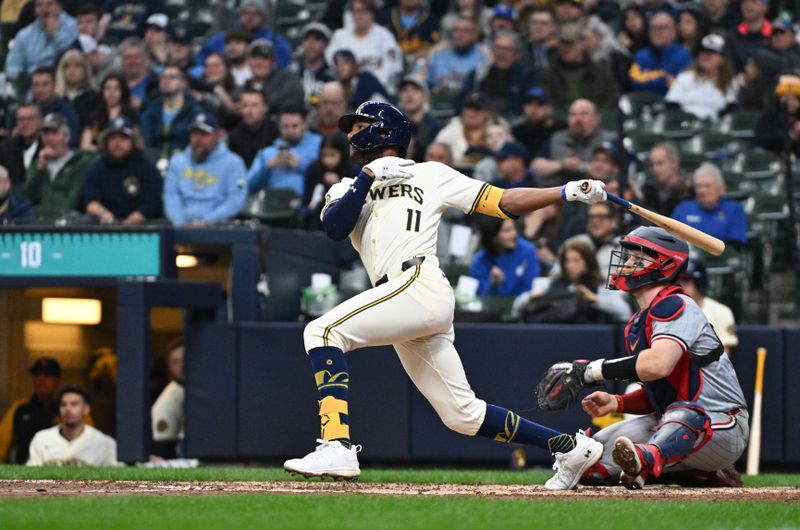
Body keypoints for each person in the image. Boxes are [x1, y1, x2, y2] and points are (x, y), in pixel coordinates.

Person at [281, 100, 608, 489]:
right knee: (462, 415)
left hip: (417, 283)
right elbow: (335, 228)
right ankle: (569, 447)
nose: (351, 134)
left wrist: (566, 190)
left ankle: (337, 443)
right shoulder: (346, 187)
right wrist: (367, 177)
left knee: (321, 332)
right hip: (399, 299)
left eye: (359, 126)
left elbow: (501, 202)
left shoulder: (431, 174)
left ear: (385, 131)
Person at [541, 226, 748, 489]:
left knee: (686, 414)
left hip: (722, 423)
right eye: (628, 257)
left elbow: (659, 365)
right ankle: (694, 474)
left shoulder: (677, 305)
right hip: (670, 423)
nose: (626, 264)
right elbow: (658, 393)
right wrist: (617, 402)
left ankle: (649, 459)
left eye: (637, 259)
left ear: (664, 265)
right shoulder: (639, 322)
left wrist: (592, 371)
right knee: (590, 459)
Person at [163, 112, 248, 226]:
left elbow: (236, 200)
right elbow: (171, 195)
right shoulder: (177, 162)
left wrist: (207, 221)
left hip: (219, 228)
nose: (198, 139)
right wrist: (180, 222)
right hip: (181, 227)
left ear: (218, 135)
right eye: (194, 133)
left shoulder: (233, 163)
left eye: (204, 134)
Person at [520, 239, 632, 324]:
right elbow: (517, 307)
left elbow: (625, 312)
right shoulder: (550, 283)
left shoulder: (601, 285)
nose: (570, 265)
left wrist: (593, 298)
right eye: (567, 261)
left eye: (576, 260)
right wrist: (531, 296)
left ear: (588, 261)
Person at [82, 116, 162, 225]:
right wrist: (103, 214)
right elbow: (90, 201)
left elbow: (153, 202)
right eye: (113, 138)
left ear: (133, 141)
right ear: (106, 142)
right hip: (105, 225)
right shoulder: (97, 167)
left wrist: (131, 221)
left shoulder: (146, 167)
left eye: (123, 138)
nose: (117, 143)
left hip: (141, 227)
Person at [21, 113, 95, 218]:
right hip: (39, 224)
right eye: (46, 134)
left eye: (54, 133)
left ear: (66, 137)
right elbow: (26, 199)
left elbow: (73, 200)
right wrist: (39, 170)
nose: (49, 138)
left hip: (70, 224)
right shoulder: (38, 164)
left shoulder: (81, 163)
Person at [532, 99, 616, 189]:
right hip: (561, 195)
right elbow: (536, 166)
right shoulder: (558, 139)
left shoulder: (610, 139)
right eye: (573, 115)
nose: (578, 119)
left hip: (599, 195)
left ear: (596, 119)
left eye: (584, 114)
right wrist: (562, 164)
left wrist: (583, 167)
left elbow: (622, 171)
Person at [538, 22, 622, 111]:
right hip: (559, 121)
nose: (566, 48)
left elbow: (611, 101)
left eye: (570, 43)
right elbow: (545, 103)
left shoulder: (601, 73)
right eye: (562, 43)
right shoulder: (548, 73)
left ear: (582, 44)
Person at [27, 386, 117, 466]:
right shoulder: (41, 439)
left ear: (86, 409)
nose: (68, 409)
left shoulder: (105, 443)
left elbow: (118, 479)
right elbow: (29, 478)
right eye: (63, 404)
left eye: (74, 404)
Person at [325, 0, 403, 89]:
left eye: (364, 11)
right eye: (356, 11)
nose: (360, 16)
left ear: (372, 13)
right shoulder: (340, 36)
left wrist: (373, 83)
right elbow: (330, 60)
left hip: (377, 89)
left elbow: (393, 65)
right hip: (346, 90)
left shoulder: (384, 35)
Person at [459, 30, 537, 118]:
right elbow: (461, 102)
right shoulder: (479, 74)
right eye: (498, 48)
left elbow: (531, 106)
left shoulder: (527, 76)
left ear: (516, 55)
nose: (501, 53)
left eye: (507, 49)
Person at [247, 106, 323, 196]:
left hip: (309, 204)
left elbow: (329, 176)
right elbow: (248, 187)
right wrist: (266, 168)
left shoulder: (319, 145)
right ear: (279, 127)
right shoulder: (267, 153)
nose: (290, 131)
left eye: (295, 126)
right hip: (273, 204)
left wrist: (302, 166)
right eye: (285, 126)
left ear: (305, 125)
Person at [196, 0, 292, 71]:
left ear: (262, 17)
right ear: (240, 15)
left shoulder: (274, 40)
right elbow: (203, 55)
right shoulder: (226, 37)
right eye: (246, 13)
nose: (250, 17)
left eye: (255, 14)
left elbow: (282, 64)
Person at [0, 358, 61, 464]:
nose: (41, 379)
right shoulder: (20, 408)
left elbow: (88, 444)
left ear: (58, 380)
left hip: (61, 475)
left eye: (47, 375)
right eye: (37, 375)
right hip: (23, 474)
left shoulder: (69, 409)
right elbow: (1, 446)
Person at [665, 34, 738, 121]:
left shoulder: (729, 81)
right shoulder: (685, 77)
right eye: (703, 51)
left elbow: (730, 108)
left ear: (722, 58)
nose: (706, 55)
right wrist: (685, 120)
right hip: (685, 125)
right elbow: (671, 103)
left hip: (714, 127)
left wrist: (710, 120)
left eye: (712, 52)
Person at [672, 162, 747, 245]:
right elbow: (671, 240)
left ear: (721, 189)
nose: (702, 190)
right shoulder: (683, 208)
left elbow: (736, 247)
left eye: (708, 186)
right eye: (699, 186)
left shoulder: (734, 210)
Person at [4, 0, 78, 83]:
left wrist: (57, 35)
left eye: (49, 4)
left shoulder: (75, 26)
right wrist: (22, 75)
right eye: (39, 5)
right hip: (33, 82)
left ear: (59, 7)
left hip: (65, 80)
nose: (44, 9)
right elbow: (12, 66)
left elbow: (74, 56)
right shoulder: (24, 35)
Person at [418, 15, 491, 98]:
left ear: (475, 35)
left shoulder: (484, 54)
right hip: (437, 101)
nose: (458, 35)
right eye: (456, 30)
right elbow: (419, 80)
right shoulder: (437, 51)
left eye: (465, 31)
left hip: (469, 104)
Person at [140, 66, 203, 158]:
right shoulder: (150, 112)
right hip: (154, 162)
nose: (166, 80)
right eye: (163, 77)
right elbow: (147, 143)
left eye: (172, 77)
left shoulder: (195, 112)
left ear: (183, 83)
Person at [470, 216, 540, 297]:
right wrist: (493, 284)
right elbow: (480, 298)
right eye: (507, 231)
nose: (514, 234)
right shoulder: (480, 261)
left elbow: (529, 289)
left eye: (514, 228)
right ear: (493, 236)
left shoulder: (528, 251)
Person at [678, 259, 738, 353]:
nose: (680, 286)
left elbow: (724, 354)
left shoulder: (721, 311)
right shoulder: (669, 311)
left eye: (686, 281)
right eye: (677, 281)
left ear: (699, 283)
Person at [629, 12, 693, 97]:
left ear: (674, 32)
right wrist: (663, 78)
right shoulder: (641, 55)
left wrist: (649, 77)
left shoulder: (684, 57)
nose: (657, 32)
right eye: (654, 28)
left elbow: (682, 88)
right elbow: (634, 82)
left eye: (662, 28)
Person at [302, 133, 356, 231]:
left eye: (332, 155)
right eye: (324, 155)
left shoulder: (353, 170)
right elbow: (305, 204)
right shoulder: (313, 170)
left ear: (342, 154)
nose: (328, 160)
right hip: (315, 223)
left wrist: (339, 185)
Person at [243, 39, 305, 114]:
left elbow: (293, 96)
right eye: (255, 57)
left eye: (264, 58)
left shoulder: (287, 78)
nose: (259, 62)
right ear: (248, 61)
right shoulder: (246, 86)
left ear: (273, 63)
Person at [80, 72, 139, 151]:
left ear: (123, 92)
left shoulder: (132, 116)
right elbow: (85, 146)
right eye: (108, 88)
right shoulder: (94, 118)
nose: (112, 92)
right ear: (102, 91)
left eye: (116, 88)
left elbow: (137, 144)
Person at [29, 66, 81, 148]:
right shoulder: (25, 112)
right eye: (36, 85)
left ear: (54, 86)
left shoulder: (67, 112)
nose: (40, 89)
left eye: (45, 85)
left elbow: (72, 141)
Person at [227, 88, 278, 169]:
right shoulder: (234, 136)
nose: (249, 111)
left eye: (254, 105)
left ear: (265, 108)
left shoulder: (277, 131)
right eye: (245, 106)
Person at [151, 338, 185, 459]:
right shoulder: (169, 399)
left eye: (184, 359)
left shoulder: (194, 391)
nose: (182, 365)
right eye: (175, 362)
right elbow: (163, 446)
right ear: (169, 367)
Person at [289, 22, 335, 109]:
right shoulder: (291, 73)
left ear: (326, 45)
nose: (311, 44)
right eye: (307, 39)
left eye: (317, 39)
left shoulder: (332, 77)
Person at [397, 76, 441, 164]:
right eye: (405, 90)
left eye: (415, 90)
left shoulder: (435, 128)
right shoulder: (393, 125)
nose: (409, 94)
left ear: (425, 96)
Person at [54, 50, 100, 133]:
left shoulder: (95, 98)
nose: (72, 70)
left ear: (85, 70)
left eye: (77, 66)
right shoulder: (55, 99)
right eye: (67, 66)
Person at [642, 142, 692, 217]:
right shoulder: (648, 191)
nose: (655, 169)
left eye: (660, 163)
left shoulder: (690, 192)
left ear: (674, 163)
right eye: (652, 165)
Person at [0, 104, 43, 188]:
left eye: (30, 119)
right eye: (21, 120)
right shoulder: (4, 149)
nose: (25, 123)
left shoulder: (48, 148)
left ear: (40, 122)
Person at [98, 0, 165, 44]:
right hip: (110, 43)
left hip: (139, 44)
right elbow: (103, 21)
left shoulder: (155, 3)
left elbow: (157, 28)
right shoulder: (113, 2)